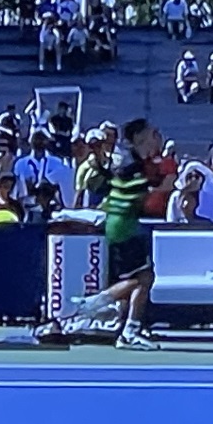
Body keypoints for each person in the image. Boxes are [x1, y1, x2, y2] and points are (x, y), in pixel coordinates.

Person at [70, 118, 162, 351]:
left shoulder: (135, 161)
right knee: (142, 278)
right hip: (123, 226)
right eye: (152, 134)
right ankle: (95, 306)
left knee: (142, 278)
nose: (156, 138)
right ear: (139, 137)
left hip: (124, 225)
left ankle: (128, 327)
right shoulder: (131, 163)